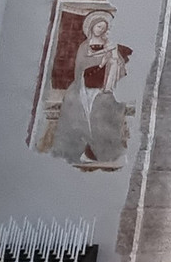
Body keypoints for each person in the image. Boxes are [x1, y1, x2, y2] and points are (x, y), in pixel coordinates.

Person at [52, 10, 133, 164]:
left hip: (103, 86)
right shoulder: (84, 46)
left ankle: (100, 151)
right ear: (91, 27)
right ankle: (81, 149)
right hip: (85, 84)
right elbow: (81, 66)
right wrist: (100, 62)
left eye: (104, 27)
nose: (101, 30)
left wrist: (112, 61)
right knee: (75, 107)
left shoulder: (110, 45)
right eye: (98, 26)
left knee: (104, 110)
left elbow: (118, 65)